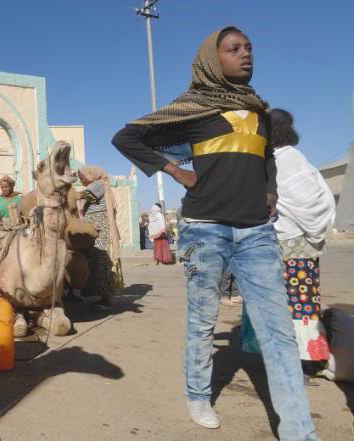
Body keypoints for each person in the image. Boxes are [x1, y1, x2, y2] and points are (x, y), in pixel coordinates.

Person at [112, 27, 319, 440]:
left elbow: (268, 160)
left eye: (249, 48)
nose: (246, 55)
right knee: (203, 320)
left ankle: (299, 431)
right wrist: (175, 171)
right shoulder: (195, 107)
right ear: (212, 58)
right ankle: (197, 392)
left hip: (257, 233)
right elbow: (126, 136)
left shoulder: (259, 111)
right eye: (234, 49)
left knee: (278, 330)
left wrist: (270, 190)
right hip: (205, 229)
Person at [271, 108, 336, 374]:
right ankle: (304, 359)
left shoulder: (281, 159)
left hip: (285, 242)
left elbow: (302, 201)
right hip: (296, 243)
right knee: (301, 302)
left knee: (289, 303)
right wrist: (316, 231)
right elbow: (316, 202)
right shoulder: (293, 159)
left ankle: (296, 359)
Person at [77, 166, 123, 309]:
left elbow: (86, 195)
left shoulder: (98, 184)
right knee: (96, 262)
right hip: (94, 227)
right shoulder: (94, 185)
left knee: (104, 262)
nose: (80, 178)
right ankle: (102, 297)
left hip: (100, 226)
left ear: (91, 174)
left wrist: (69, 194)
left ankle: (108, 299)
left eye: (82, 175)